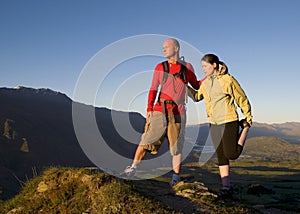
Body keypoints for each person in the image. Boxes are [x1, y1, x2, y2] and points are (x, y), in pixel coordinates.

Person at [123, 38, 201, 185]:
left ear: (176, 48)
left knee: (176, 147)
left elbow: (196, 85)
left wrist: (211, 76)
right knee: (147, 141)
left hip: (179, 111)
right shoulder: (160, 67)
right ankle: (132, 168)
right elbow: (153, 89)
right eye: (163, 47)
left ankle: (175, 178)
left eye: (166, 47)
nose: (163, 49)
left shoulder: (188, 67)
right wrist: (149, 109)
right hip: (160, 109)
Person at [190, 53, 253, 198]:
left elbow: (241, 98)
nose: (203, 69)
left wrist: (248, 117)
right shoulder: (205, 83)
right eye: (202, 67)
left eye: (205, 66)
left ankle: (245, 128)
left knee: (232, 154)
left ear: (214, 65)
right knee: (221, 155)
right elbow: (196, 97)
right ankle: (226, 188)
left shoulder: (227, 80)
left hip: (229, 120)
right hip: (213, 122)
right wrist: (183, 85)